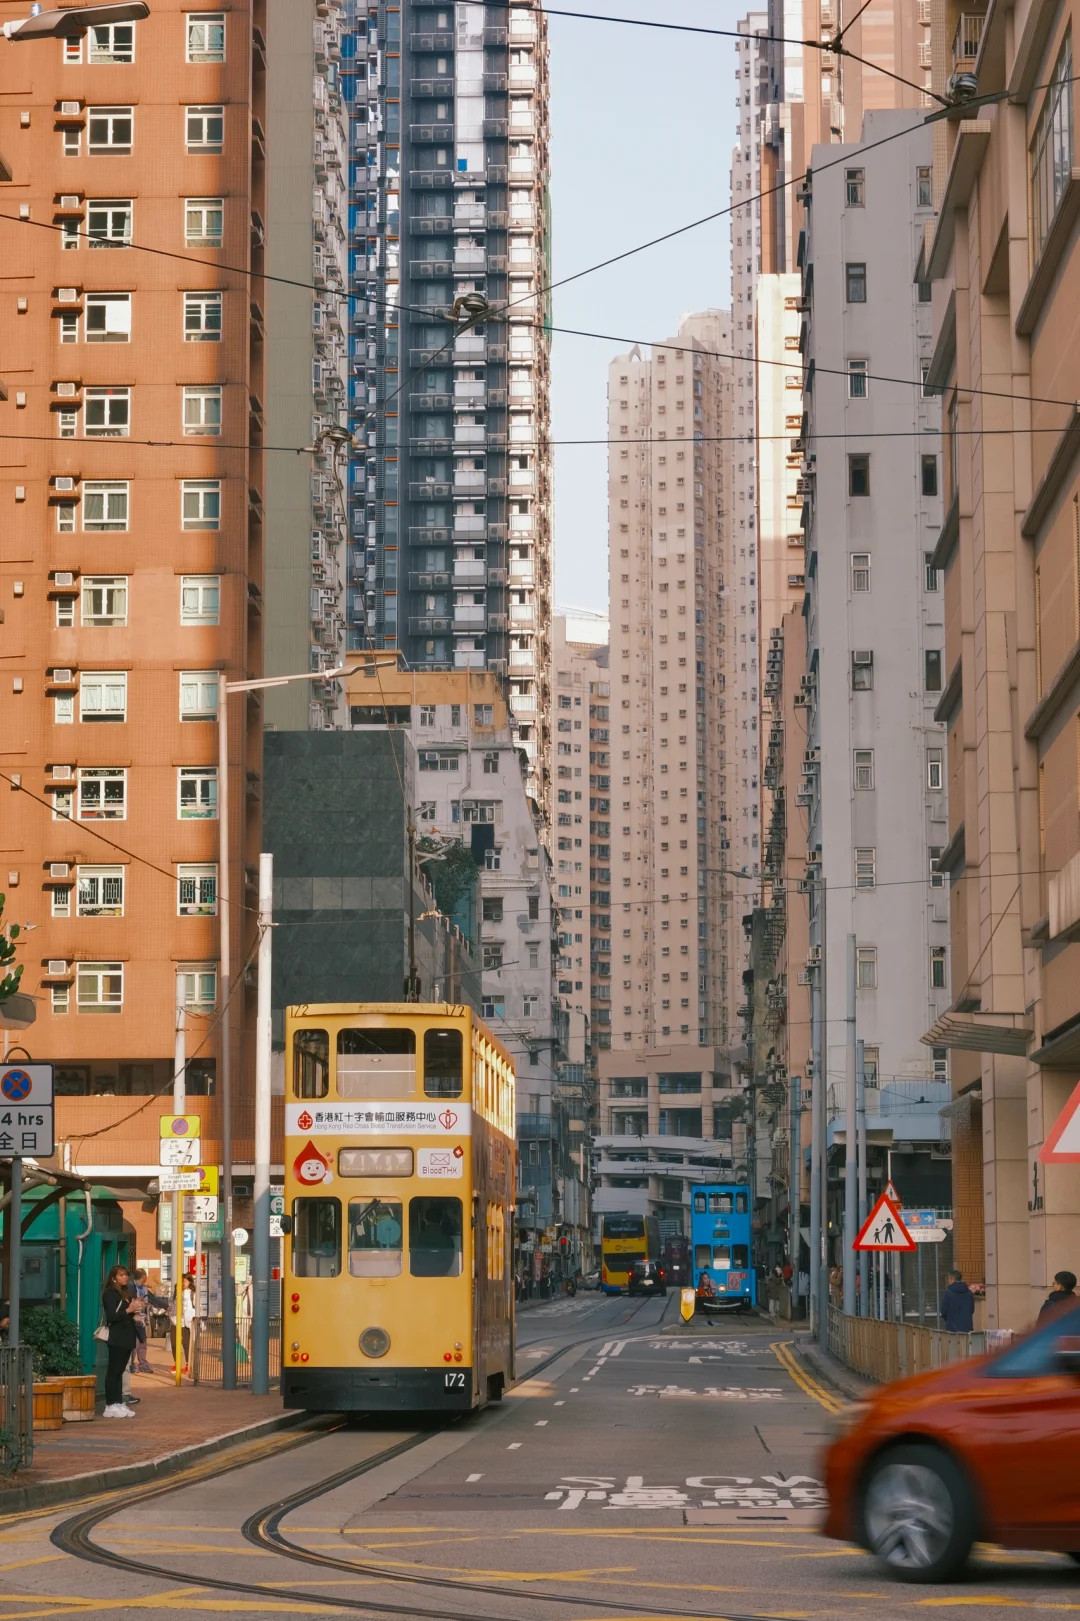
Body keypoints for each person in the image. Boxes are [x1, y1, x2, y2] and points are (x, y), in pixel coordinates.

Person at [101, 1264, 141, 1418]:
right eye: (121, 1275)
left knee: (119, 1372)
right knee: (114, 1371)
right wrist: (129, 1311)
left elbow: (126, 1314)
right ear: (113, 1278)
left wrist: (135, 1314)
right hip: (117, 1337)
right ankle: (110, 1404)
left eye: (125, 1275)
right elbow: (112, 1316)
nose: (125, 1277)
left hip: (127, 1336)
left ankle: (118, 1402)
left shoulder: (125, 1293)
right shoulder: (110, 1294)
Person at [169, 1275, 197, 1374]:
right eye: (181, 1281)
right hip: (174, 1321)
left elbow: (197, 1306)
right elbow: (171, 1304)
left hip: (186, 1322)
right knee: (173, 1343)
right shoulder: (175, 1291)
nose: (183, 1283)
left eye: (185, 1281)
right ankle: (176, 1363)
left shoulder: (191, 1293)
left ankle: (188, 1365)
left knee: (186, 1344)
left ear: (189, 1282)